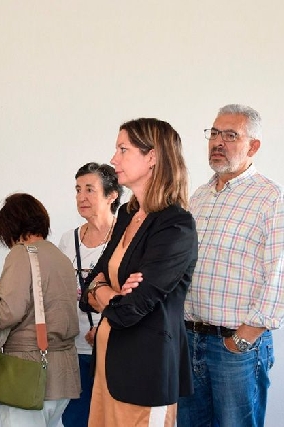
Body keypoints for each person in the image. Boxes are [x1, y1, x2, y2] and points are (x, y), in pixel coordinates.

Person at [84, 118, 197, 426]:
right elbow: (90, 283)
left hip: (145, 374)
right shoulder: (127, 213)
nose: (113, 159)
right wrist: (105, 291)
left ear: (152, 157)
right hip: (108, 369)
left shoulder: (175, 225)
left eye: (123, 149)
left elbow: (130, 309)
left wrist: (103, 292)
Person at [177, 104, 284, 427]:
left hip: (235, 349)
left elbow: (279, 277)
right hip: (189, 340)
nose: (218, 142)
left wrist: (242, 339)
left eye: (230, 135)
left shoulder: (271, 198)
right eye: (214, 133)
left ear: (253, 146)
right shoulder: (199, 196)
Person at [0, 193, 81, 427]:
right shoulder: (61, 257)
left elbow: (10, 313)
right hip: (63, 373)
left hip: (28, 371)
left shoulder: (21, 253)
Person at [58, 162, 123, 427]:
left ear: (112, 195)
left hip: (114, 349)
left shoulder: (126, 238)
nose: (81, 197)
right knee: (75, 419)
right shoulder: (67, 239)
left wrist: (107, 327)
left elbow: (133, 296)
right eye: (77, 190)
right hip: (74, 348)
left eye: (89, 189)